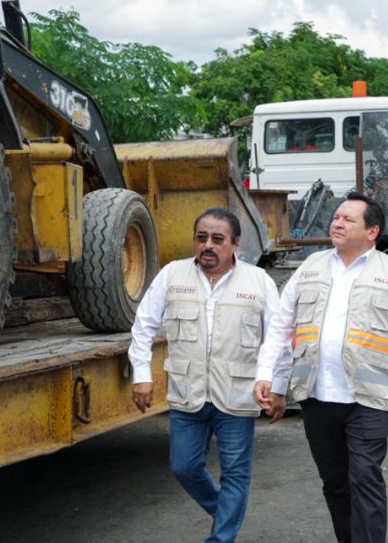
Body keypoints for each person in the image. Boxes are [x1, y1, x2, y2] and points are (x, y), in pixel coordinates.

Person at [253, 192, 388, 542]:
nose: (337, 222)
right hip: (317, 396)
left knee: (364, 478)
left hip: (368, 398)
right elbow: (282, 327)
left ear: (371, 231)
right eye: (336, 217)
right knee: (335, 484)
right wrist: (268, 377)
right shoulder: (311, 267)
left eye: (348, 219)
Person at [128, 207, 289, 543]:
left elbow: (278, 340)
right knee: (183, 467)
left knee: (235, 473)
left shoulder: (257, 282)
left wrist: (278, 387)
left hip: (237, 395)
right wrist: (141, 374)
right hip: (188, 394)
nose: (208, 246)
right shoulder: (172, 275)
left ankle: (221, 537)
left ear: (235, 244)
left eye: (218, 239)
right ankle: (226, 510)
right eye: (201, 238)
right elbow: (143, 326)